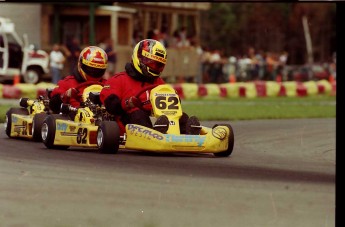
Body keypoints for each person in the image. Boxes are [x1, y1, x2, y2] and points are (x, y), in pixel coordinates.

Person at [100, 39, 200, 135]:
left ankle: (189, 134)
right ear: (138, 57)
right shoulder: (119, 79)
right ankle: (156, 133)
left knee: (182, 117)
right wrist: (127, 103)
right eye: (150, 62)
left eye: (158, 65)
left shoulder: (159, 83)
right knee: (138, 114)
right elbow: (111, 104)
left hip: (158, 119)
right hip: (128, 121)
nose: (154, 67)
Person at [49, 46, 108, 114]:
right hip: (74, 121)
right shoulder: (67, 83)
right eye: (90, 69)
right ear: (80, 64)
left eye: (98, 70)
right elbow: (53, 105)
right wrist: (65, 95)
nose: (94, 72)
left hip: (103, 122)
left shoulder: (107, 85)